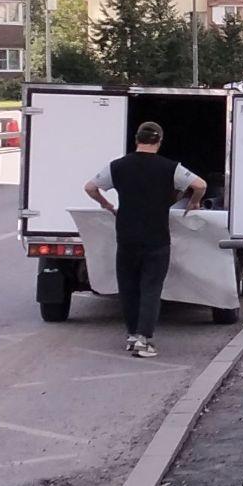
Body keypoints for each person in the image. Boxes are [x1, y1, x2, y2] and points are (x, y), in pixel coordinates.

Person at [86, 121, 204, 360]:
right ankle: (143, 338)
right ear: (159, 141)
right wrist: (194, 202)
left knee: (129, 287)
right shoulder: (170, 167)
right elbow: (200, 184)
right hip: (156, 237)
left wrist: (106, 204)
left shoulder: (117, 166)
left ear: (136, 140)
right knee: (151, 287)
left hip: (126, 236)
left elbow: (90, 187)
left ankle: (132, 335)